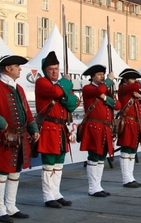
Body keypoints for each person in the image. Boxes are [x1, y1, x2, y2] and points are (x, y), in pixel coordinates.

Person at [35, 51, 80, 208]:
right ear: (45, 71)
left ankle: (56, 193)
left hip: (60, 128)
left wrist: (64, 93)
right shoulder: (41, 82)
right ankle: (48, 196)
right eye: (51, 69)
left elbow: (74, 102)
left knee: (59, 164)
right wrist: (65, 85)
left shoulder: (61, 85)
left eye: (56, 68)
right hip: (48, 127)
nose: (54, 72)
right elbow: (56, 92)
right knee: (48, 164)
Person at [0, 55, 40, 222]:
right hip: (4, 137)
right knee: (2, 172)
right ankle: (0, 209)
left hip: (20, 136)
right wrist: (3, 125)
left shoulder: (19, 88)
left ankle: (11, 206)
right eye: (17, 66)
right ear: (8, 69)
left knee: (15, 171)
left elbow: (27, 111)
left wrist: (33, 129)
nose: (20, 69)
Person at [80, 65, 121, 197]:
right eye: (99, 74)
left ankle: (98, 186)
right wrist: (109, 81)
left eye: (103, 74)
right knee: (93, 157)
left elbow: (118, 105)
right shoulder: (88, 88)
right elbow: (99, 91)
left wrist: (105, 98)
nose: (102, 77)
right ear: (92, 77)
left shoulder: (105, 91)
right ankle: (92, 187)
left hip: (105, 127)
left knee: (102, 157)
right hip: (94, 127)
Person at [117, 68, 141, 186]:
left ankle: (131, 176)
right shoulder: (124, 88)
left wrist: (140, 97)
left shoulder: (135, 91)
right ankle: (126, 178)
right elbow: (139, 85)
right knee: (126, 150)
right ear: (125, 80)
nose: (135, 81)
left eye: (135, 79)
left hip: (136, 124)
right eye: (132, 78)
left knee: (132, 151)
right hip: (127, 123)